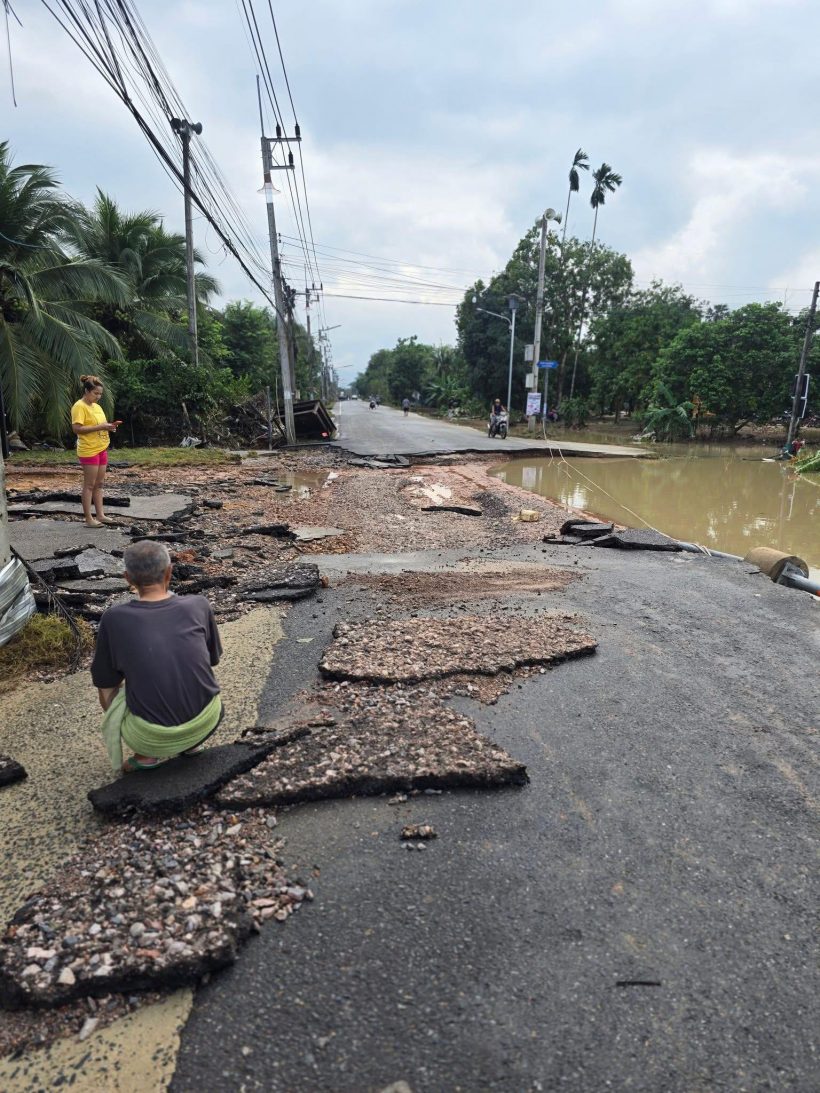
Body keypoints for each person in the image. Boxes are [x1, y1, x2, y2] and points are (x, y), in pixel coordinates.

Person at [91, 540, 224, 773]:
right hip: (207, 721)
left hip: (148, 736)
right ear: (169, 573)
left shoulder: (114, 619)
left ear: (128, 579)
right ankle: (191, 744)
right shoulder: (199, 605)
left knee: (108, 686)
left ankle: (146, 754)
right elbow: (213, 659)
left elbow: (106, 682)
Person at [70, 375, 119, 528]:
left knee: (99, 484)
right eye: (95, 393)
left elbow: (102, 424)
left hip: (101, 447)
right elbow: (77, 428)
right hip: (88, 450)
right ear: (86, 391)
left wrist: (110, 427)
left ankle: (100, 514)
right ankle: (88, 518)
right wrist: (101, 427)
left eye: (100, 394)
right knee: (89, 485)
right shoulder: (79, 406)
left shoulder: (97, 407)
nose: (98, 397)